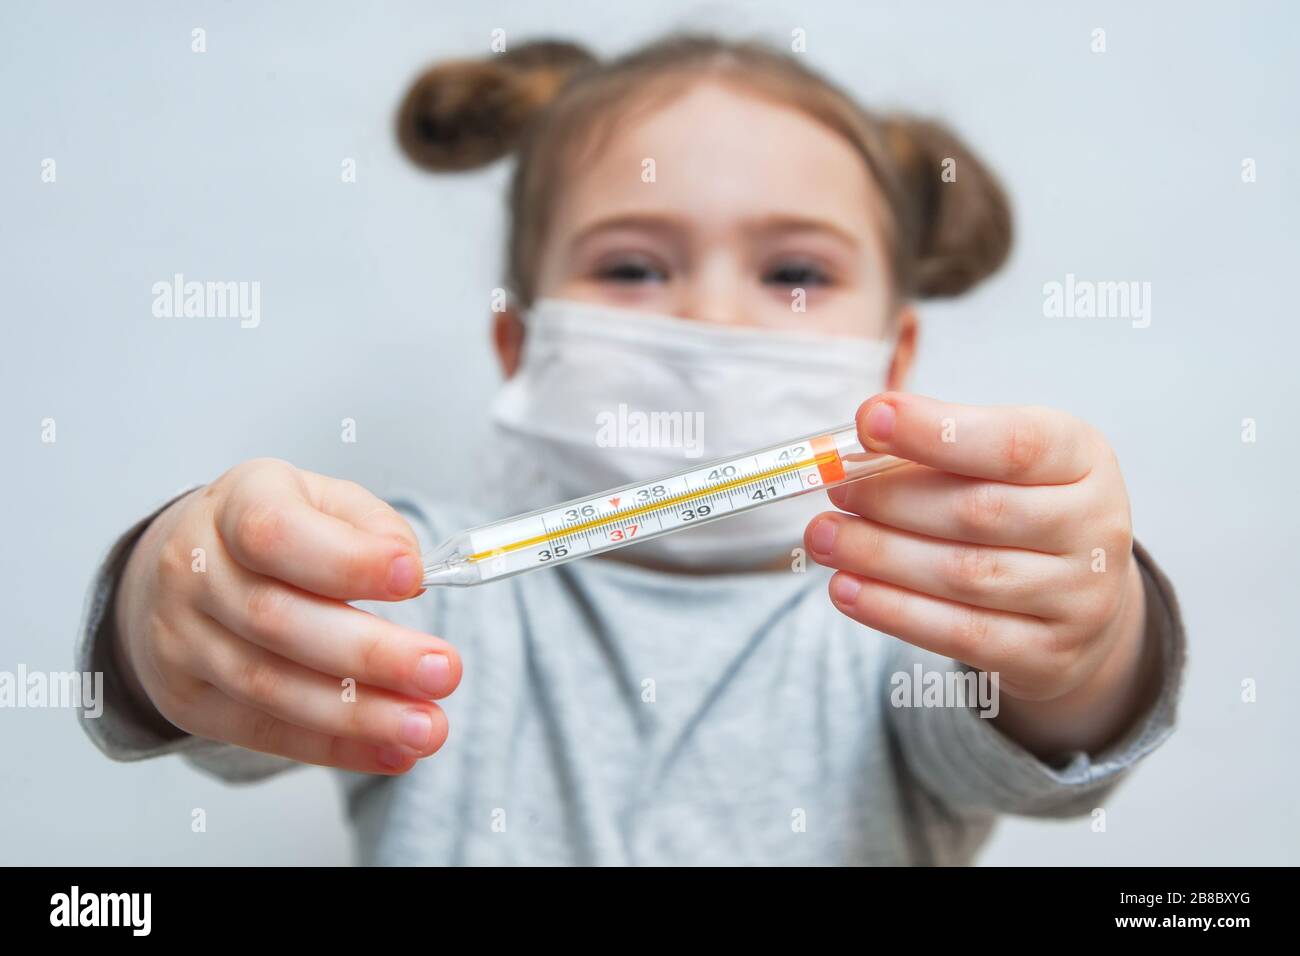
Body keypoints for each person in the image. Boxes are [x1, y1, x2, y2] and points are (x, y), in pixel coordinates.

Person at [76, 34, 1185, 865]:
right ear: (520, 340)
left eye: (795, 273)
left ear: (893, 362)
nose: (710, 318)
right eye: (633, 268)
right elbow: (232, 693)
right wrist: (165, 602)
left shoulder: (907, 620)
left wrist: (1088, 628)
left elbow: (1050, 747)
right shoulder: (420, 584)